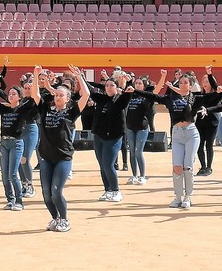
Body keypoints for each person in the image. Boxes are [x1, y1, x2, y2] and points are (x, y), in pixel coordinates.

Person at [131, 68, 221, 209]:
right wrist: (135, 91)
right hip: (177, 134)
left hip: (191, 133)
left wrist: (214, 80)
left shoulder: (196, 98)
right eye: (181, 82)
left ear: (190, 85)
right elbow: (154, 96)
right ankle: (178, 196)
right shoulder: (171, 98)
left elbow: (215, 96)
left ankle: (187, 197)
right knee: (177, 167)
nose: (183, 84)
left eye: (186, 82)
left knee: (188, 167)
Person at [36, 65, 83, 232]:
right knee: (46, 194)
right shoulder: (46, 108)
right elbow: (35, 95)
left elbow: (86, 95)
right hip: (46, 157)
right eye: (56, 94)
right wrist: (36, 76)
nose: (57, 97)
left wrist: (79, 78)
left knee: (56, 192)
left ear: (67, 98)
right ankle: (55, 218)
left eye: (61, 95)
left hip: (63, 157)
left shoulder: (71, 111)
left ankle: (65, 220)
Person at [78, 72, 131, 202]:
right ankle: (108, 190)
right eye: (107, 85)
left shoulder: (120, 100)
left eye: (111, 85)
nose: (108, 87)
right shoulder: (101, 99)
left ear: (117, 87)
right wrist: (80, 77)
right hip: (99, 136)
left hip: (113, 137)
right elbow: (89, 89)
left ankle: (116, 191)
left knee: (108, 164)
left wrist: (128, 85)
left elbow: (128, 94)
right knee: (102, 165)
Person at [0, 81, 41, 210]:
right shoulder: (8, 108)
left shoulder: (24, 106)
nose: (11, 95)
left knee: (22, 161)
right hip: (8, 139)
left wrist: (35, 81)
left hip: (27, 131)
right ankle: (11, 199)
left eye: (14, 93)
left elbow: (36, 98)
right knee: (6, 173)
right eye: (10, 93)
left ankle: (27, 186)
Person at [124, 76, 156, 185]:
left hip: (142, 127)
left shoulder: (146, 97)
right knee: (132, 152)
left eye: (140, 83)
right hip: (130, 126)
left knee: (138, 152)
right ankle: (134, 175)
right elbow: (126, 89)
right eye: (136, 83)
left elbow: (155, 91)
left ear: (144, 86)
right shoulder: (131, 95)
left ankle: (142, 176)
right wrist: (128, 80)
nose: (137, 85)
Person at [194, 72, 219, 176]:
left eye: (207, 81)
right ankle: (203, 166)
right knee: (199, 145)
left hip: (212, 123)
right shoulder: (199, 95)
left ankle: (209, 167)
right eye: (203, 81)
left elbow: (216, 88)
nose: (205, 83)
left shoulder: (216, 95)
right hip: (200, 123)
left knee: (209, 145)